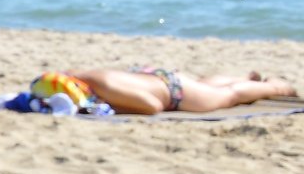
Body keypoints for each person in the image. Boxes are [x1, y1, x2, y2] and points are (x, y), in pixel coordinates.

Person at [66, 67, 296, 115]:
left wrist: (111, 107)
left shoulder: (105, 88)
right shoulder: (79, 74)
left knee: (230, 95)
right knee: (204, 85)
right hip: (158, 78)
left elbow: (152, 106)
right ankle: (245, 78)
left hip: (173, 93)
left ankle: (277, 86)